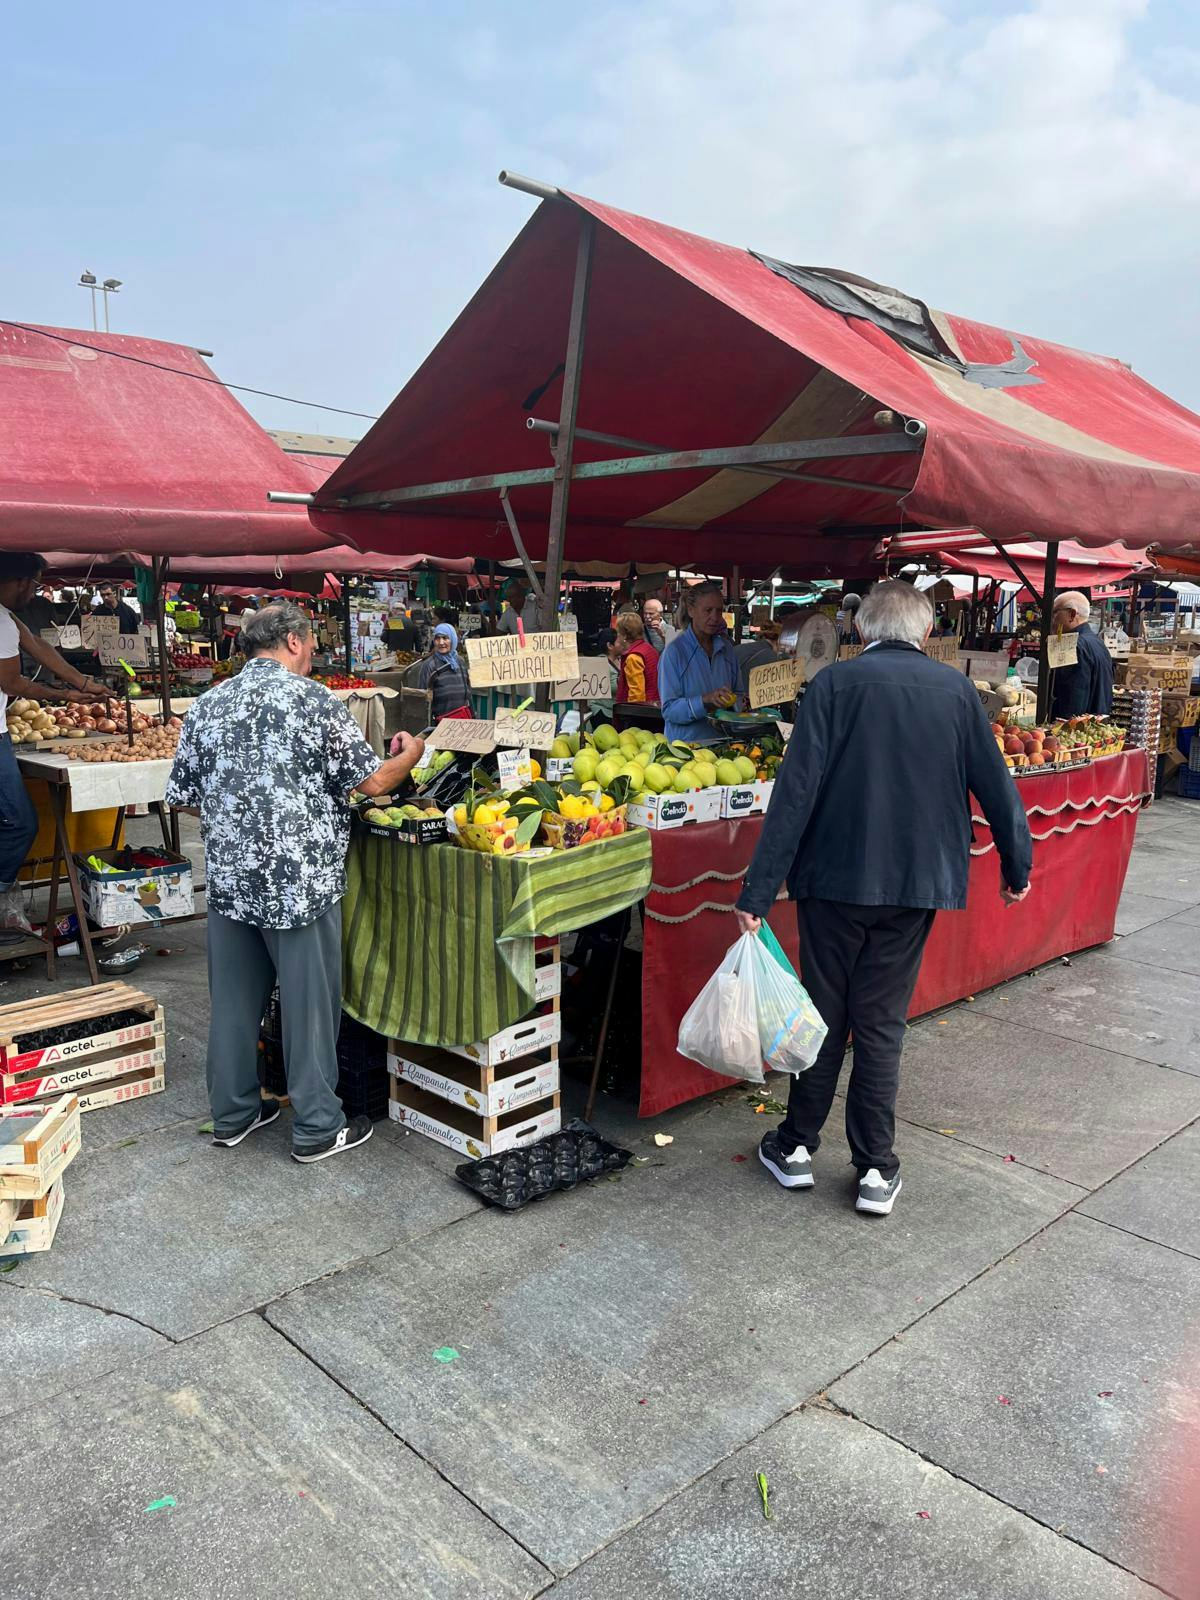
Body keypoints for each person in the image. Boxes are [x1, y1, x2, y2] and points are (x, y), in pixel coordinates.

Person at [734, 580, 1033, 1217]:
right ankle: (875, 1169)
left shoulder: (831, 687)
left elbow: (795, 793)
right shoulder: (956, 693)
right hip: (914, 882)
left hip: (833, 881)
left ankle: (794, 1147)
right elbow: (996, 785)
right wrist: (1017, 865)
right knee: (880, 1026)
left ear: (860, 632)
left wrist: (757, 890)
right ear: (925, 634)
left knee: (825, 1013)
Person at [166, 602, 425, 1164]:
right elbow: (374, 782)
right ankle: (316, 1128)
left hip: (232, 882)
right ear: (289, 643)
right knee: (310, 1008)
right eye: (309, 645)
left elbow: (184, 797)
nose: (312, 655)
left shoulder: (208, 703)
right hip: (298, 882)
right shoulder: (313, 702)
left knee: (234, 1004)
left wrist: (240, 814)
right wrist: (413, 753)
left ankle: (233, 1114)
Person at [0, 554, 108, 937]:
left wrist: (81, 684)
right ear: (16, 580)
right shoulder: (0, 619)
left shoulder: (7, 618)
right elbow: (13, 684)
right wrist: (61, 694)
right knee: (19, 823)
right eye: (31, 583)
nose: (33, 591)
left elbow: (39, 649)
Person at [657, 580, 739, 743]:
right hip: (686, 749)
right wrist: (705, 701)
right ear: (691, 610)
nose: (715, 617)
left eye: (719, 611)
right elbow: (669, 710)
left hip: (724, 747)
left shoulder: (727, 649)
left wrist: (742, 703)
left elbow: (740, 694)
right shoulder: (674, 653)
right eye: (708, 610)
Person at [1050, 591, 1114, 719]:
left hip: (1076, 730)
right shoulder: (1098, 643)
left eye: (1055, 613)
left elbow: (1071, 698)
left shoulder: (1071, 645)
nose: (1052, 620)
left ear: (1072, 615)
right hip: (1097, 725)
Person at [417, 622, 471, 719]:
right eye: (437, 638)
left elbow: (468, 692)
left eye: (445, 638)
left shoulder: (460, 661)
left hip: (462, 719)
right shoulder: (429, 665)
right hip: (440, 723)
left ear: (453, 639)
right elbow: (422, 699)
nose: (441, 642)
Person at [611, 613, 660, 705]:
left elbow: (636, 695)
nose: (617, 636)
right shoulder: (649, 649)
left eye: (618, 632)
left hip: (641, 713)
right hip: (654, 707)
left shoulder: (633, 657)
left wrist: (631, 716)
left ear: (625, 635)